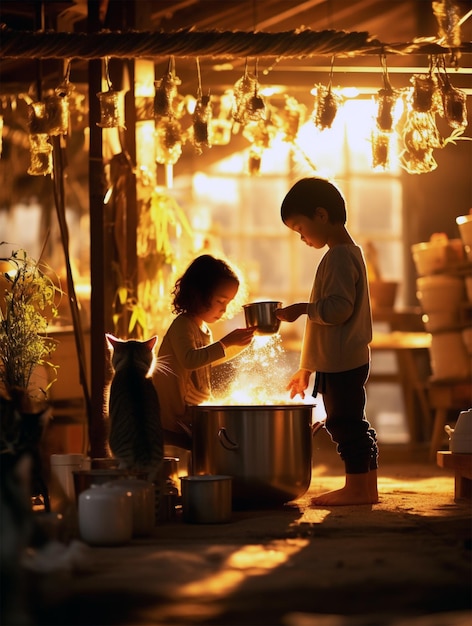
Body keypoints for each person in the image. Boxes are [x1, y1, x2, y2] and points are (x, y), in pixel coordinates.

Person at [276, 177, 379, 506]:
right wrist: (306, 369)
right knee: (354, 421)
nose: (302, 237)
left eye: (300, 228)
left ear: (321, 215)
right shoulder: (346, 253)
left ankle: (358, 488)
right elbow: (325, 327)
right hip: (340, 357)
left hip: (342, 360)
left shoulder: (338, 257)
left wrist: (303, 309)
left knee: (344, 423)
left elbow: (337, 311)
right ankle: (367, 487)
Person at [153, 254, 255, 450]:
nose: (224, 309)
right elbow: (190, 360)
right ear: (198, 294)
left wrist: (243, 343)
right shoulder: (182, 325)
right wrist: (225, 342)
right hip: (171, 419)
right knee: (179, 460)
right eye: (220, 301)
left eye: (228, 303)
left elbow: (206, 361)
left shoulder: (203, 329)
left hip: (190, 415)